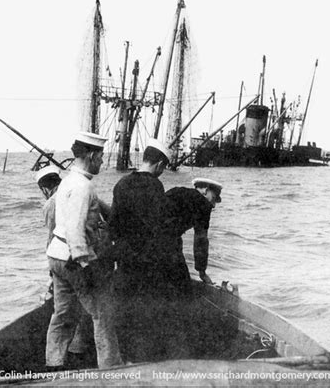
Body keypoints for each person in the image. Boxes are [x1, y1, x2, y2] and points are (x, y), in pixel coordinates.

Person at [45, 132, 122, 370]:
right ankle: (110, 368)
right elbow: (75, 230)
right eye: (100, 157)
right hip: (73, 258)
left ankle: (53, 363)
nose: (102, 161)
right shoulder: (84, 186)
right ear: (90, 155)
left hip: (55, 256)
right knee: (102, 314)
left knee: (63, 314)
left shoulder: (68, 181)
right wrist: (85, 264)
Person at [109, 138, 188, 298]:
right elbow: (159, 225)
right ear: (159, 164)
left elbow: (113, 224)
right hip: (146, 260)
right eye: (163, 168)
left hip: (124, 256)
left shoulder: (121, 183)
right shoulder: (155, 186)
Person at [165, 178, 223, 285]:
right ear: (205, 190)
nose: (213, 205)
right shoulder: (203, 204)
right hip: (165, 241)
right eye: (214, 198)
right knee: (182, 283)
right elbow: (201, 239)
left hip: (144, 236)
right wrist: (202, 272)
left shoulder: (176, 191)